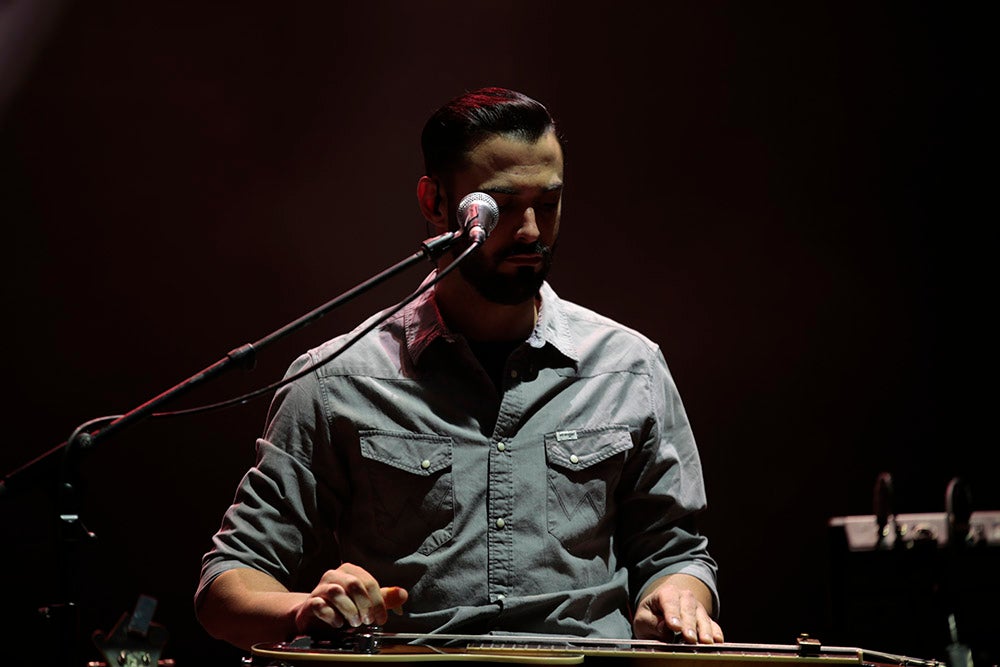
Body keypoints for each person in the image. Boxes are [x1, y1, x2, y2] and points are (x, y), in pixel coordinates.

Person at [196, 87, 723, 651]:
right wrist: (304, 609)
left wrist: (678, 593)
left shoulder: (630, 367)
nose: (529, 232)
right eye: (498, 206)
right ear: (434, 202)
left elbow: (677, 554)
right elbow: (226, 586)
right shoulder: (335, 379)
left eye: (547, 204)